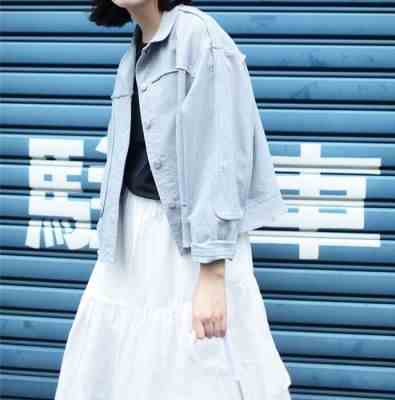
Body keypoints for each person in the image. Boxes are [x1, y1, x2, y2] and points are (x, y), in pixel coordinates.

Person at [54, 1, 292, 399]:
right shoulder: (135, 50)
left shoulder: (199, 38)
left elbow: (223, 157)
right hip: (133, 241)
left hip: (186, 244)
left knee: (194, 372)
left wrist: (212, 276)